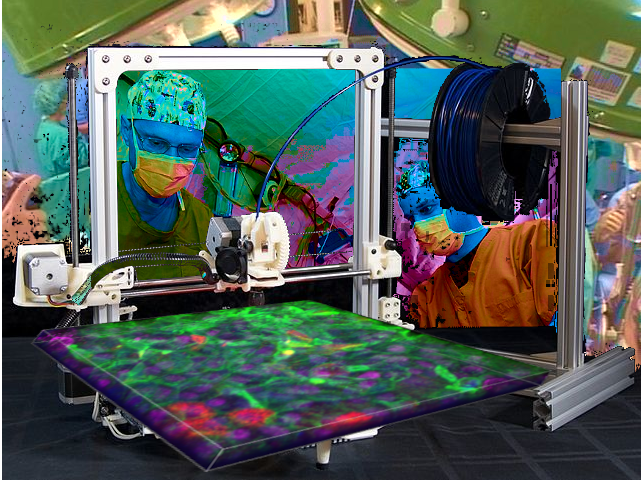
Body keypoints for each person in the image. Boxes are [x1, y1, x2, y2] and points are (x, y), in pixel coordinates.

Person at [397, 160, 557, 328]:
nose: (418, 226)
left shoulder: (533, 241)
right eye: (411, 218)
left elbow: (564, 328)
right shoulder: (426, 298)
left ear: (461, 198)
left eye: (426, 209)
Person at [118, 70, 214, 281]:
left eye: (187, 149)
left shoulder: (201, 221)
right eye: (156, 143)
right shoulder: (88, 198)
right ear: (126, 130)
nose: (171, 162)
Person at [33, 78, 90, 179]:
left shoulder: (45, 128)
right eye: (66, 99)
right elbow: (82, 159)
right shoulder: (60, 135)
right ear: (60, 103)